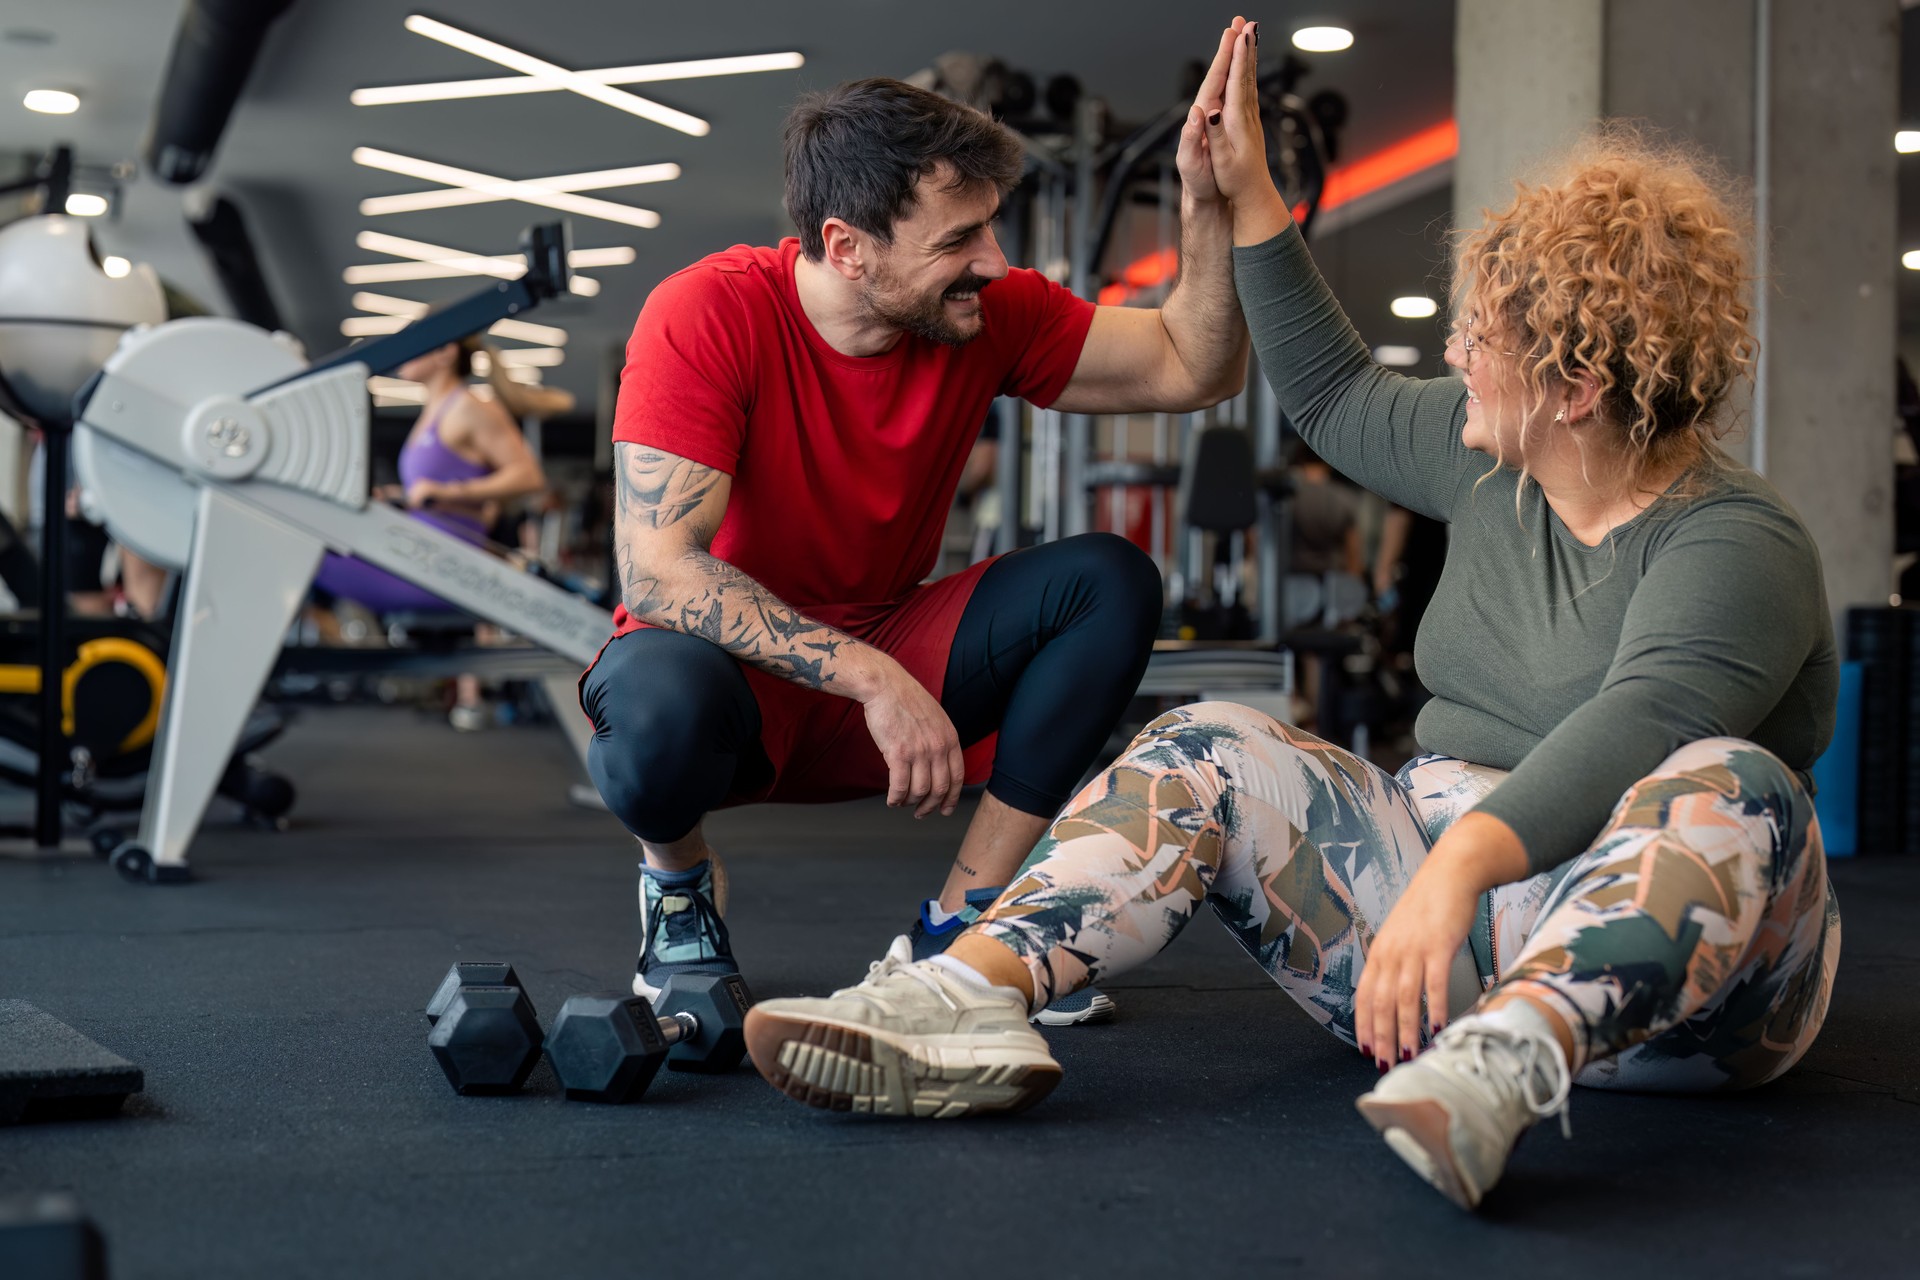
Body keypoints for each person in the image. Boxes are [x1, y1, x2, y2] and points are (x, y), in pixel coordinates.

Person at [740, 18, 1842, 1214]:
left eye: (1488, 339)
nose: (1457, 351)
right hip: (1438, 951)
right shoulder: (1489, 461)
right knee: (1208, 738)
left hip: (1681, 995)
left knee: (1734, 779)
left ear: (1575, 390)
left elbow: (1639, 720)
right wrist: (1246, 191)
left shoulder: (1740, 542)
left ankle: (1513, 1060)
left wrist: (1452, 871)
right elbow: (1330, 387)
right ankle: (965, 994)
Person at [581, 44, 1254, 1023]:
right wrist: (868, 675)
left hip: (897, 634)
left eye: (989, 228)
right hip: (726, 671)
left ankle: (964, 925)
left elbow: (1196, 367)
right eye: (958, 239)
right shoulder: (708, 310)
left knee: (1108, 580)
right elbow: (656, 572)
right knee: (654, 710)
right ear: (848, 246)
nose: (992, 258)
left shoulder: (987, 311)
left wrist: (1206, 207)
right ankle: (680, 890)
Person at [312, 337, 545, 727]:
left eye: (413, 343)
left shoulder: (468, 408)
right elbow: (434, 493)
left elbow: (529, 475)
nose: (403, 352)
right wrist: (399, 498)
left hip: (438, 565)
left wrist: (448, 492)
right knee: (302, 537)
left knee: (304, 547)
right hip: (417, 552)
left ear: (444, 352)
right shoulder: (433, 410)